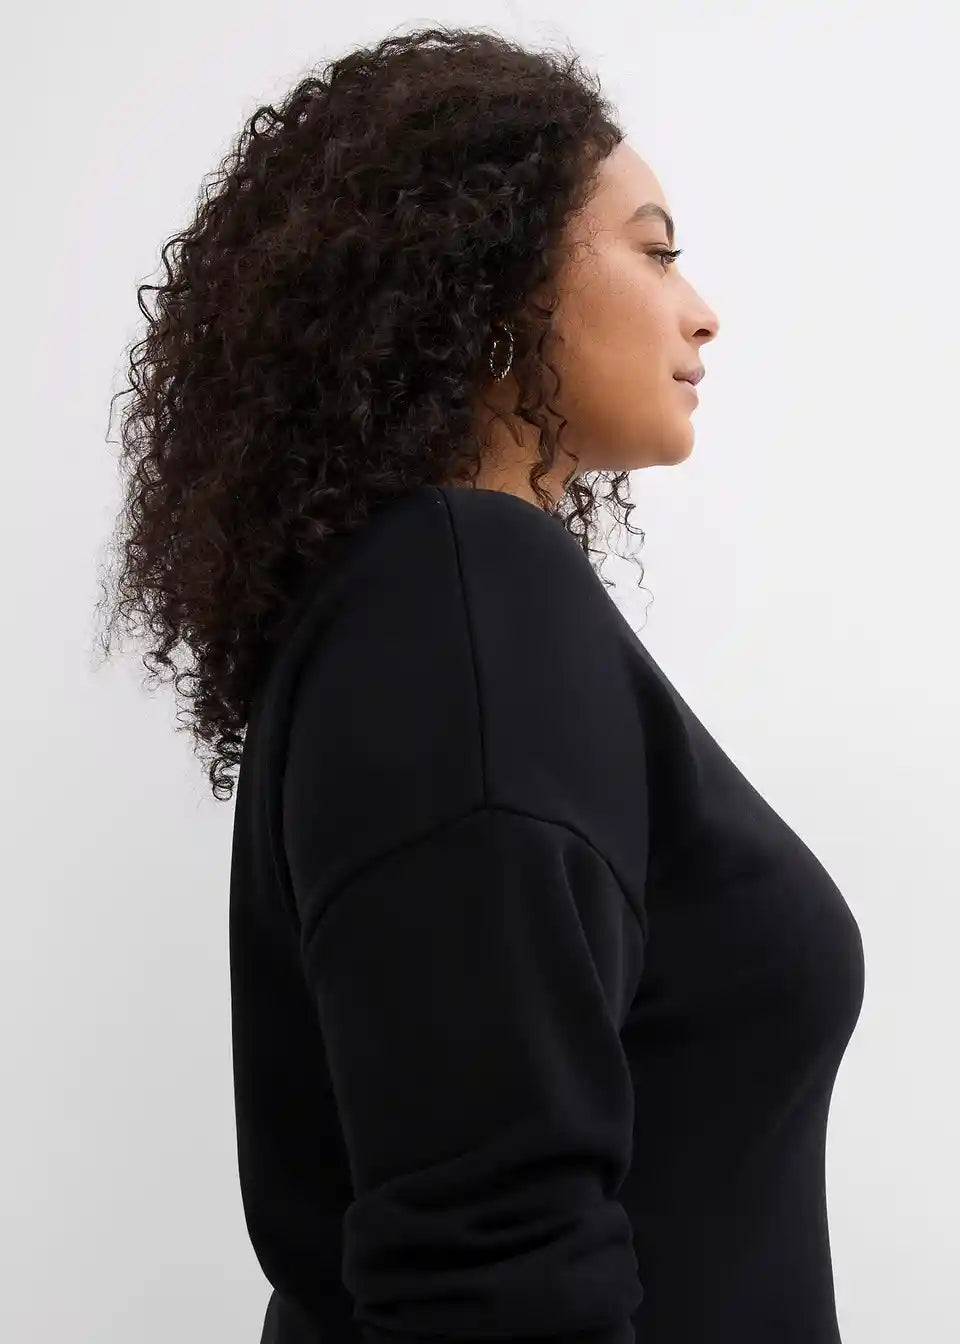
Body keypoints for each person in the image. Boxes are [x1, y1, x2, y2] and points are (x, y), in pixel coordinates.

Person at [96, 25, 865, 1344]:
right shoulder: (457, 591)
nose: (701, 309)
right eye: (656, 251)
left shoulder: (432, 605)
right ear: (497, 281)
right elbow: (493, 1269)